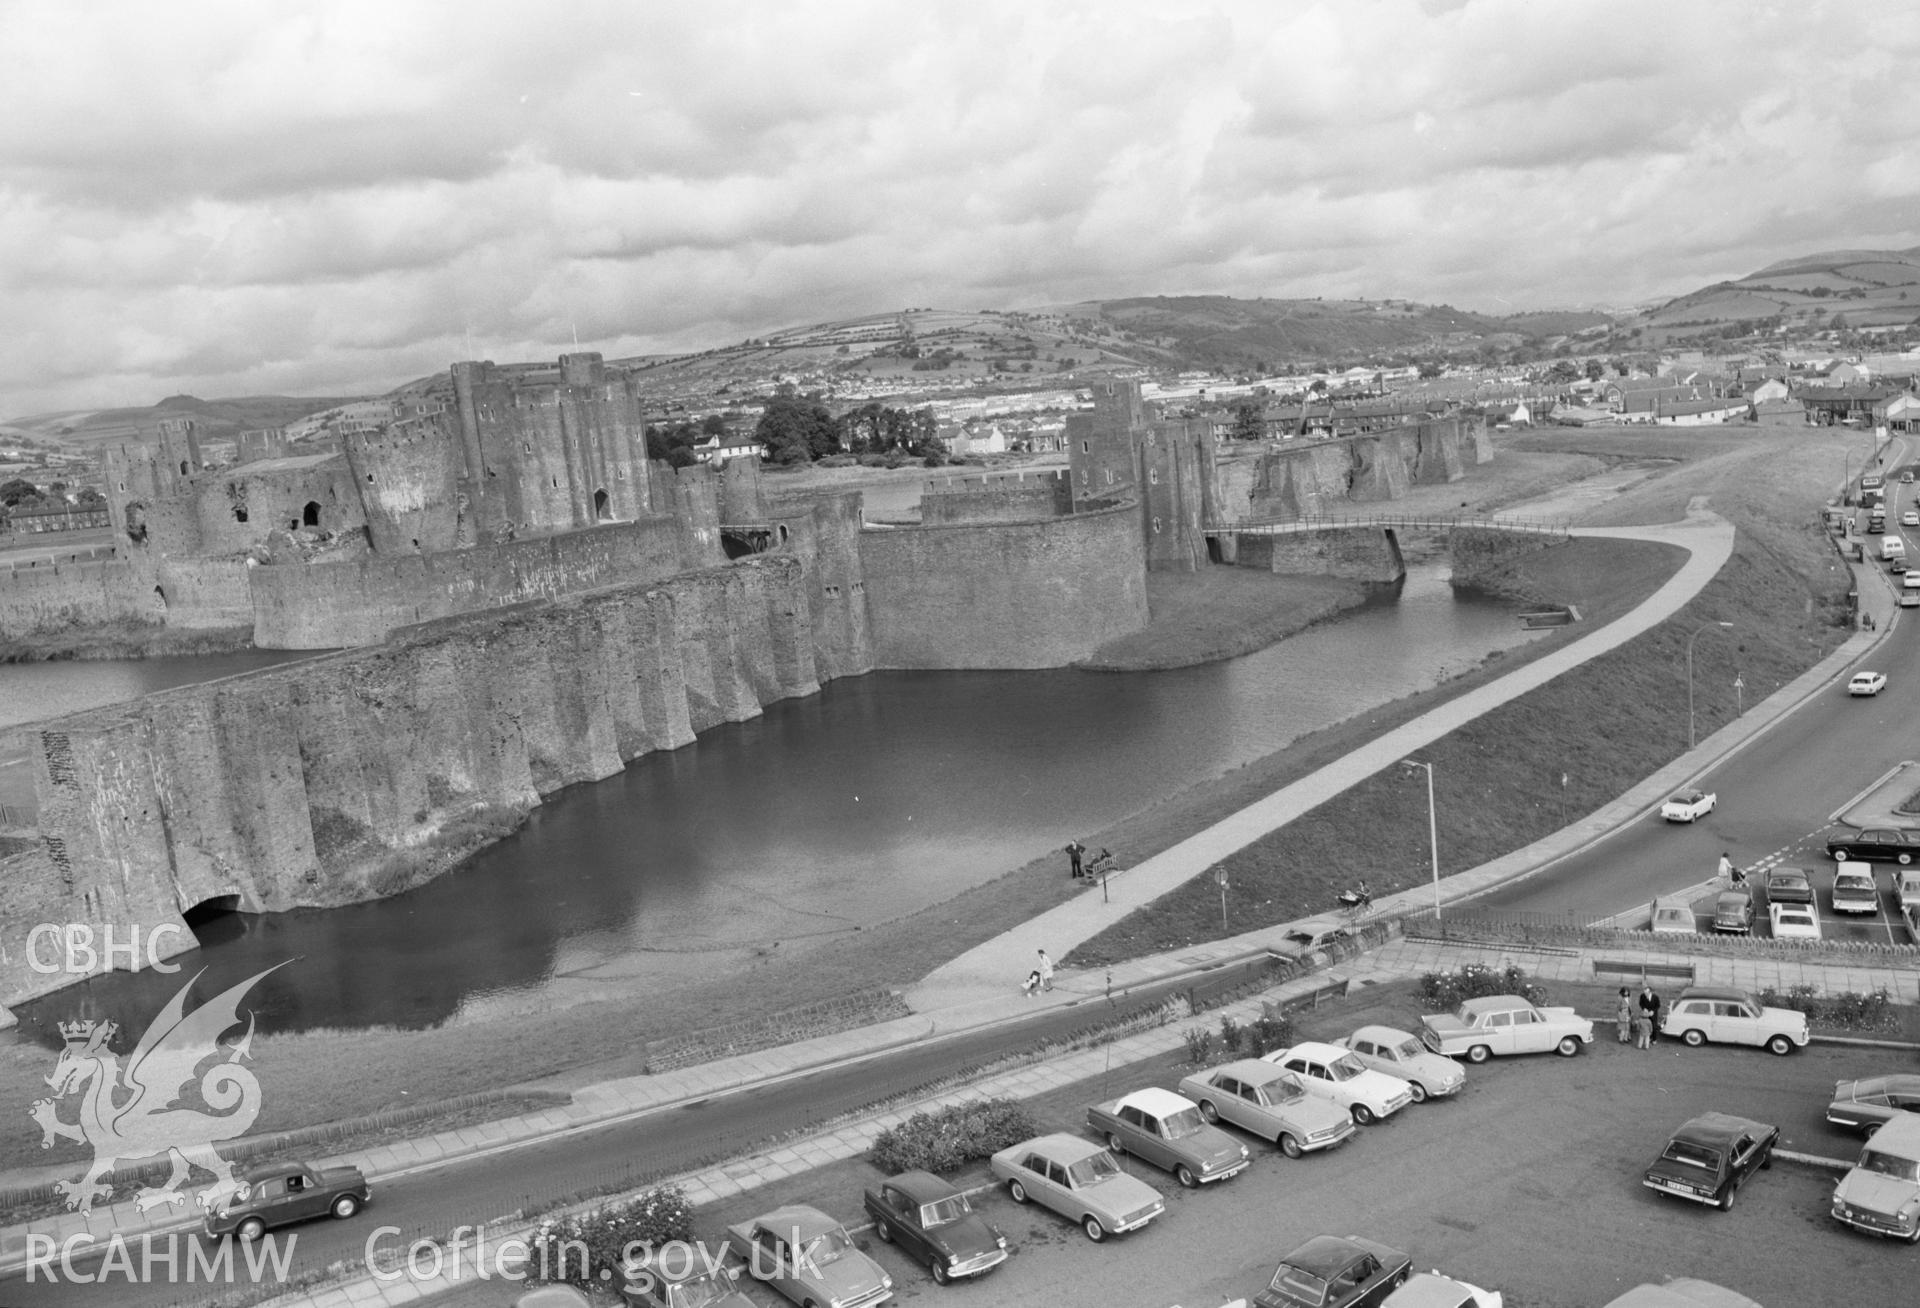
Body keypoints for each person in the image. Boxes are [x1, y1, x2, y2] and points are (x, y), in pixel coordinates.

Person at [1636, 984, 1661, 1050]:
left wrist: (1653, 1011)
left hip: (1653, 1013)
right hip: (1645, 1014)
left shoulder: (1655, 997)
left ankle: (1654, 1039)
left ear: (1650, 992)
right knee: (1646, 1025)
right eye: (1644, 992)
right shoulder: (1642, 996)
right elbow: (1641, 1003)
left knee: (1654, 1026)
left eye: (1647, 993)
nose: (1645, 994)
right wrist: (1644, 1008)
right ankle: (1648, 1037)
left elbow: (1658, 1005)